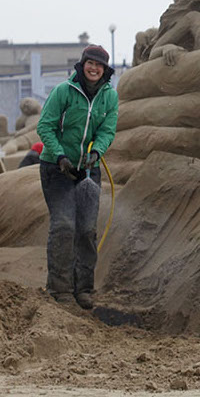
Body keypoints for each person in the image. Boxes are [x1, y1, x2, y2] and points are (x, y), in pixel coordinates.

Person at [37, 45, 118, 309]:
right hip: (56, 168)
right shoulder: (64, 92)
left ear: (105, 70)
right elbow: (45, 126)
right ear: (82, 65)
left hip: (87, 170)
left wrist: (97, 153)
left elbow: (107, 130)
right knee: (64, 225)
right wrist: (60, 156)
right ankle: (59, 289)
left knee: (86, 229)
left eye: (99, 65)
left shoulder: (109, 97)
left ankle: (83, 288)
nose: (94, 69)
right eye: (90, 64)